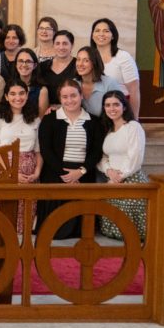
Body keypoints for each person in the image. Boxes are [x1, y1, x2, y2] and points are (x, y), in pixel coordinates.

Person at [37, 79, 102, 240]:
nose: (69, 100)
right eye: (65, 97)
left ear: (81, 96)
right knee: (54, 231)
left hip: (83, 174)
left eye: (73, 95)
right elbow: (46, 150)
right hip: (56, 172)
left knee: (82, 232)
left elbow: (97, 151)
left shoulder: (94, 122)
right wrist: (65, 174)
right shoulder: (50, 120)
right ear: (60, 99)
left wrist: (80, 172)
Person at [0, 81, 42, 234]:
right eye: (13, 94)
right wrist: (11, 175)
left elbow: (38, 151)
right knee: (5, 223)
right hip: (3, 173)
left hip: (29, 176)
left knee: (24, 225)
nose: (18, 97)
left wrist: (36, 173)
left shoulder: (35, 119)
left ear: (27, 95)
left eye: (21, 93)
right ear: (6, 96)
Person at [97, 90, 148, 240]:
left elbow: (135, 157)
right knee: (112, 233)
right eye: (107, 105)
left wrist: (120, 176)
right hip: (112, 181)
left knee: (131, 233)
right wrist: (109, 172)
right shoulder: (109, 131)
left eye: (116, 105)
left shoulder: (133, 127)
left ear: (124, 107)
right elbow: (103, 157)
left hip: (131, 179)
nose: (111, 109)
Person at [90, 18, 142, 115]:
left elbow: (134, 91)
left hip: (119, 110)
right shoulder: (88, 57)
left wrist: (134, 120)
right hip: (94, 112)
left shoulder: (123, 57)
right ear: (92, 36)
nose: (101, 34)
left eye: (106, 31)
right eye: (97, 31)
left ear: (113, 35)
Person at [75, 45, 125, 117]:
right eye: (78, 59)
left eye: (86, 60)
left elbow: (120, 111)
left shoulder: (109, 83)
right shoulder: (74, 84)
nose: (80, 64)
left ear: (94, 63)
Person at [39, 30, 76, 107]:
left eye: (65, 43)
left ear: (72, 45)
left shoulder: (78, 65)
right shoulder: (43, 66)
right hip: (46, 112)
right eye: (57, 43)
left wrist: (60, 107)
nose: (61, 47)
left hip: (71, 110)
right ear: (53, 45)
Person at [11, 47, 50, 114]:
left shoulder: (42, 90)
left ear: (34, 65)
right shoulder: (10, 86)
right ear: (16, 64)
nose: (24, 64)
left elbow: (42, 119)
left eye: (28, 61)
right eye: (20, 61)